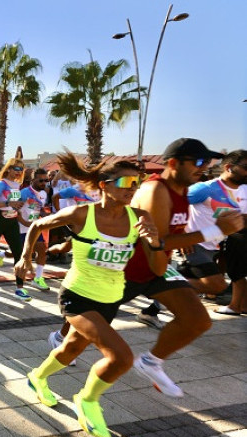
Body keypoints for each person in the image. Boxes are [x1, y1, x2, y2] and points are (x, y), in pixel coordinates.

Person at [48, 138, 243, 399]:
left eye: (208, 162)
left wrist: (188, 236)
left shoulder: (185, 189)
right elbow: (156, 241)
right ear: (173, 163)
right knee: (77, 341)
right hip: (124, 269)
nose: (204, 167)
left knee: (197, 320)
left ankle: (151, 361)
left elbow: (171, 229)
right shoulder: (155, 190)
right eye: (198, 161)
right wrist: (215, 230)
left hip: (156, 268)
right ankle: (59, 342)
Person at [17, 154, 165, 437]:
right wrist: (25, 258)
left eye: (137, 182)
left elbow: (158, 268)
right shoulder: (82, 214)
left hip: (110, 299)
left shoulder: (141, 218)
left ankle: (37, 376)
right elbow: (37, 226)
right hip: (77, 296)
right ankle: (87, 399)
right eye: (125, 181)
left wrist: (156, 243)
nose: (132, 188)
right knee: (120, 358)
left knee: (70, 349)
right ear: (104, 185)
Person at [182, 150, 247, 304]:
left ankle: (151, 308)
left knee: (192, 280)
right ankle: (161, 287)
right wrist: (182, 235)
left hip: (216, 246)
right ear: (229, 167)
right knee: (216, 285)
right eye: (246, 167)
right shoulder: (205, 188)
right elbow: (173, 207)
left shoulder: (244, 191)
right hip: (196, 244)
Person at [0, 158, 30, 301]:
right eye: (16, 168)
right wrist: (9, 202)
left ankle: (20, 288)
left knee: (19, 253)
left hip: (12, 221)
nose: (19, 172)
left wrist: (18, 207)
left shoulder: (17, 184)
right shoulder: (1, 184)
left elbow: (13, 204)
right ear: (8, 169)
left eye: (21, 169)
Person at [17, 168, 51, 291]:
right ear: (33, 180)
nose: (44, 183)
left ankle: (38, 278)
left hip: (34, 228)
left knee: (42, 249)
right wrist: (25, 222)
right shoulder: (24, 193)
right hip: (21, 228)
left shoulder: (44, 194)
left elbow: (39, 209)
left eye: (46, 180)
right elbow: (14, 210)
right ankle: (2, 253)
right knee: (23, 255)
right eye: (41, 180)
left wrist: (46, 214)